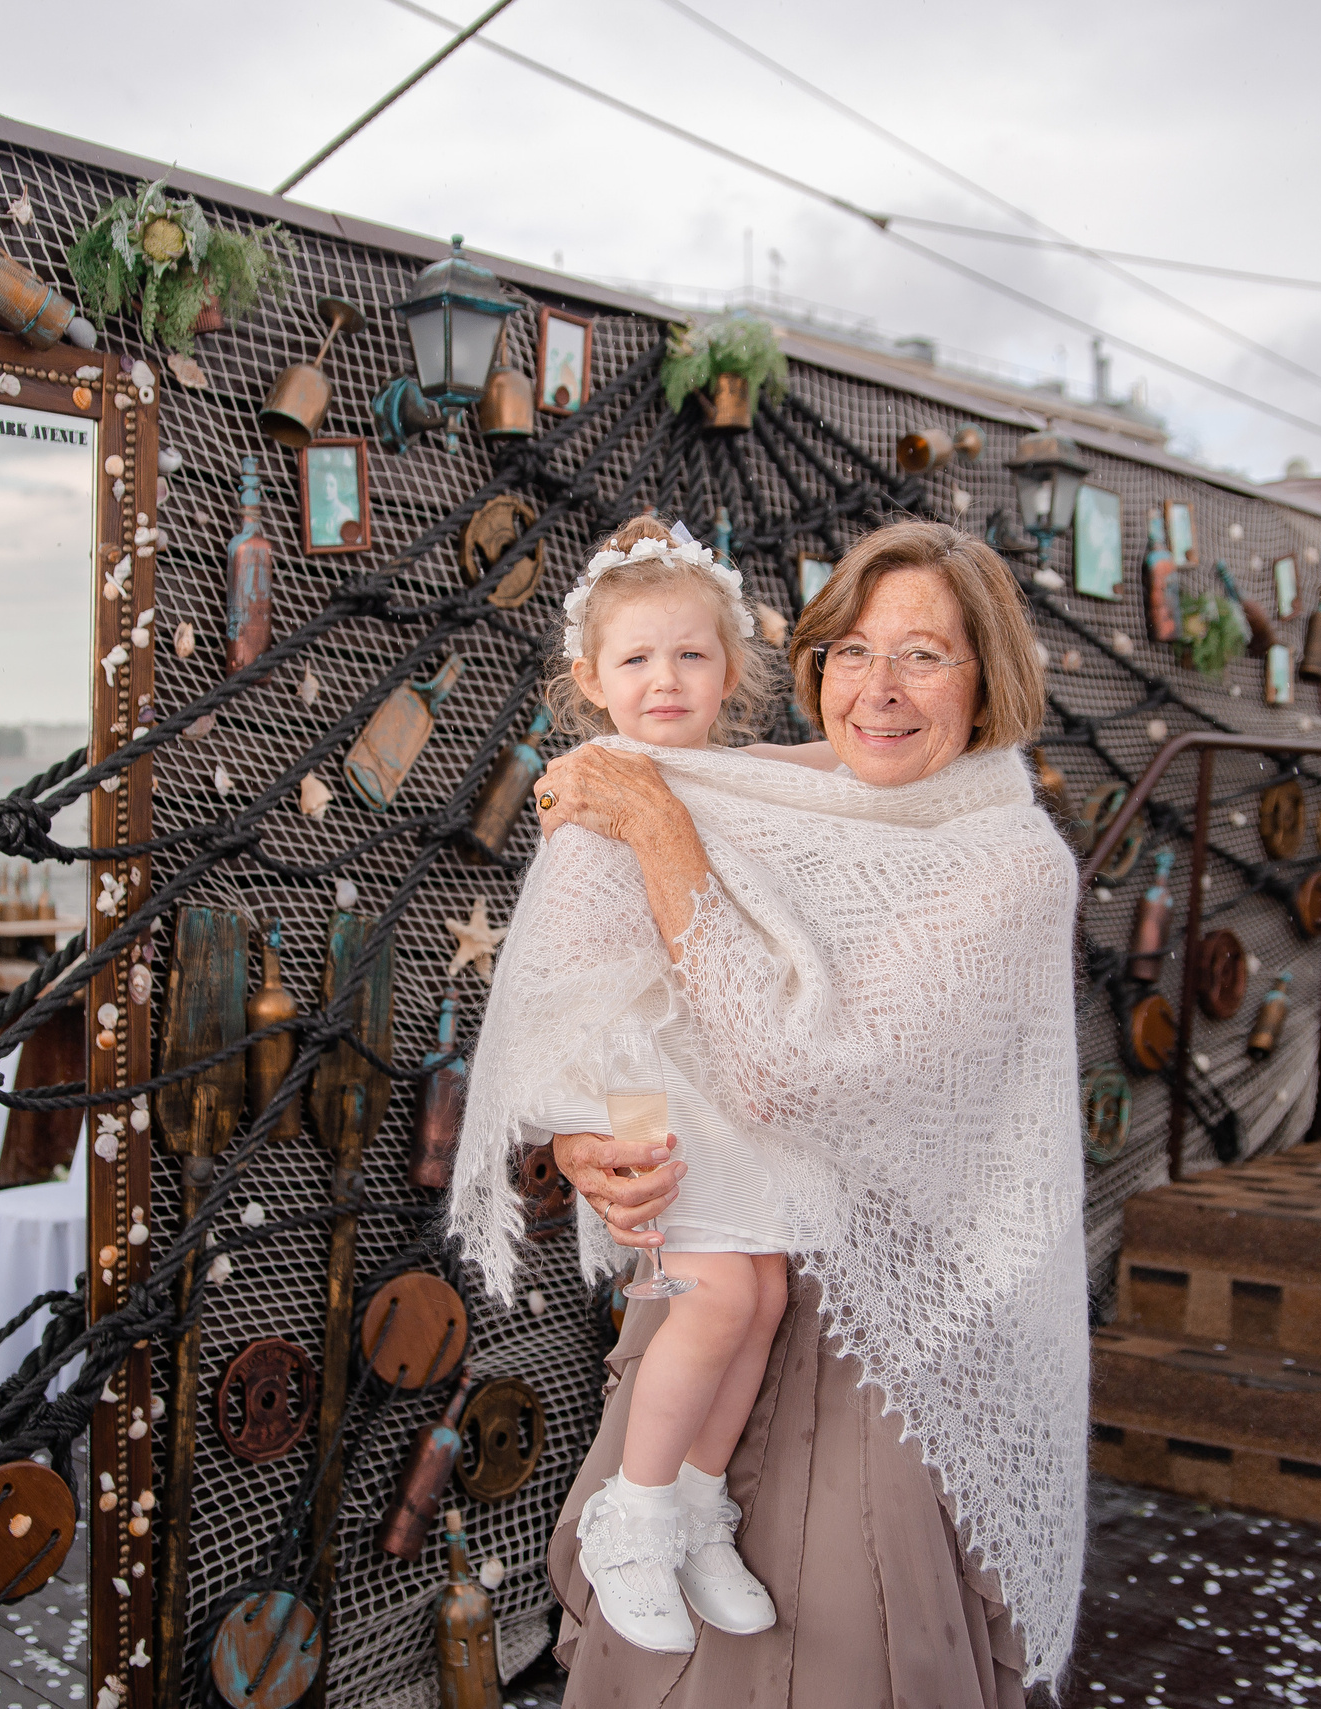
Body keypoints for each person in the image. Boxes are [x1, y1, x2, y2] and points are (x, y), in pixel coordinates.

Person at [494, 522, 1089, 1706]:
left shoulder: (1009, 860)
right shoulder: (785, 794)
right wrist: (578, 1142)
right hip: (723, 1277)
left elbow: (781, 1073)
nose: (878, 689)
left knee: (830, 1646)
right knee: (660, 1629)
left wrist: (661, 829)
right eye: (853, 648)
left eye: (924, 654)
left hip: (891, 1333)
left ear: (989, 679)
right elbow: (621, 996)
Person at [454, 516, 796, 1655]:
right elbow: (565, 981)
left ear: (732, 672)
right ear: (590, 680)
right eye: (637, 659)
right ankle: (629, 1513)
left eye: (692, 656)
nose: (665, 678)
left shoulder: (747, 783)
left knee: (763, 1296)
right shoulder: (596, 799)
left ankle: (699, 1508)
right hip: (643, 1079)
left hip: (733, 1083)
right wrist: (597, 1120)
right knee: (702, 1292)